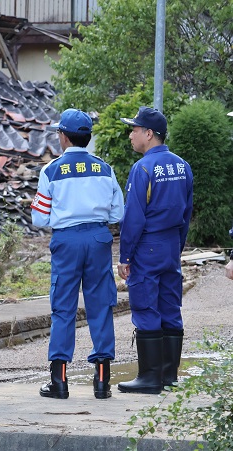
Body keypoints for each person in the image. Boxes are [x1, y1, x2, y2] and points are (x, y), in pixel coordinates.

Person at [30, 108, 124, 400]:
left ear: (63, 137)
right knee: (100, 306)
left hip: (67, 241)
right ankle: (101, 382)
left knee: (63, 309)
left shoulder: (52, 170)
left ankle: (59, 382)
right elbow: (118, 211)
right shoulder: (104, 168)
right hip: (98, 239)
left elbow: (39, 218)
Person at [117, 106, 193, 394]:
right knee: (170, 307)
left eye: (134, 129)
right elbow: (187, 214)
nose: (131, 134)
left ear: (149, 134)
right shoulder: (182, 166)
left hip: (148, 246)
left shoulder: (144, 169)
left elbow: (134, 217)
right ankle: (168, 376)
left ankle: (149, 378)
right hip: (171, 244)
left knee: (146, 306)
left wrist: (125, 256)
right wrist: (177, 247)